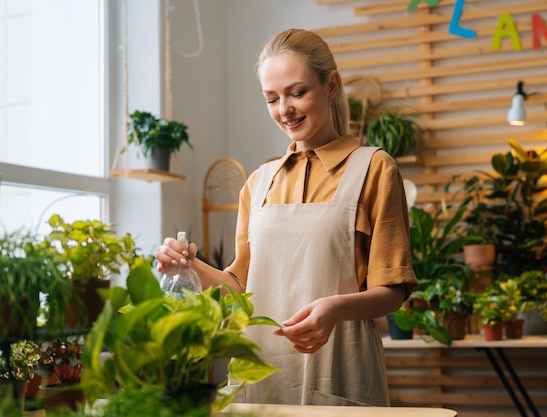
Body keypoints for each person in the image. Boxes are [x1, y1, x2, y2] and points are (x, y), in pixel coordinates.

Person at [155, 28, 417, 407]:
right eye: (272, 98)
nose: (285, 109)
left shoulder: (374, 168)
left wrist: (335, 308)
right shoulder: (259, 182)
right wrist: (188, 265)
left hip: (339, 370)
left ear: (331, 86)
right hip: (258, 378)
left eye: (297, 93)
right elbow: (241, 285)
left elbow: (393, 289)